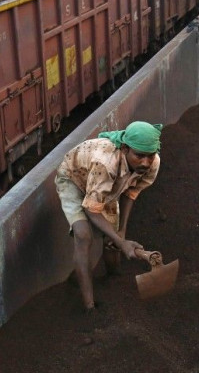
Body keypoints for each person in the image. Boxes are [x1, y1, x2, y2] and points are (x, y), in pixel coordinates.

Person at [55, 121, 162, 311]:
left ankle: (114, 278)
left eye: (150, 156)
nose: (145, 162)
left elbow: (131, 193)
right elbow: (91, 209)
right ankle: (89, 306)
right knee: (83, 235)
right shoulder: (106, 163)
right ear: (125, 149)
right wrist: (122, 243)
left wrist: (122, 232)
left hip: (104, 185)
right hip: (74, 179)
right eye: (139, 156)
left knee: (112, 237)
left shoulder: (152, 164)